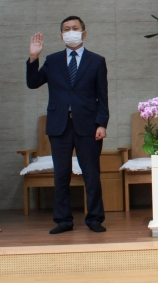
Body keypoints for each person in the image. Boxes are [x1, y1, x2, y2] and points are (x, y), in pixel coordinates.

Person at [26, 16, 109, 234]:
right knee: (61, 175)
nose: (70, 32)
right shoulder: (52, 60)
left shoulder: (97, 61)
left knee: (91, 174)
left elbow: (103, 96)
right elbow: (33, 83)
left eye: (74, 28)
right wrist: (33, 57)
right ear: (61, 35)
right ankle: (63, 220)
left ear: (84, 33)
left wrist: (102, 123)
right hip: (59, 125)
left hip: (88, 125)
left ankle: (95, 219)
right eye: (66, 29)